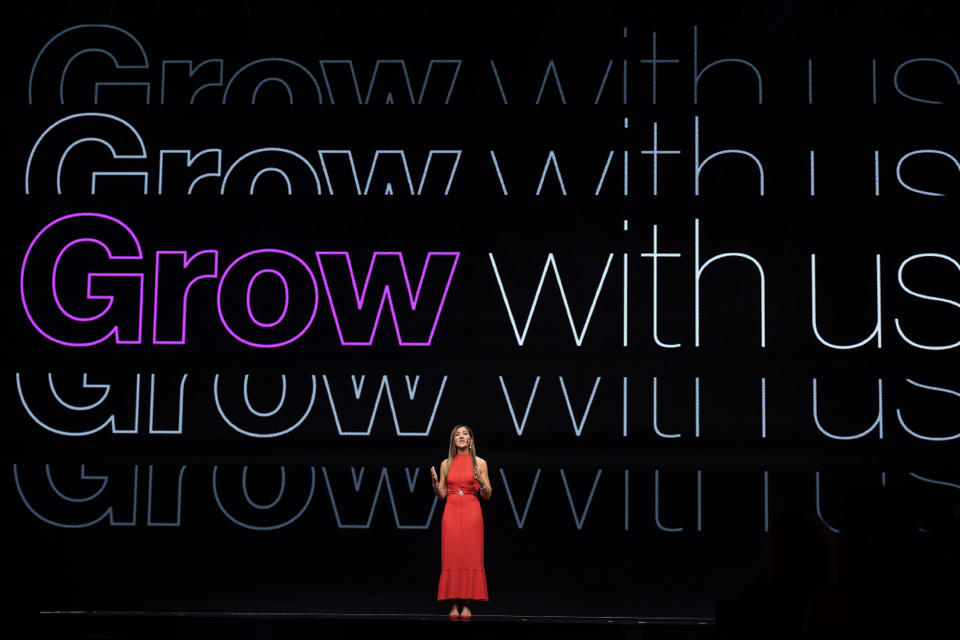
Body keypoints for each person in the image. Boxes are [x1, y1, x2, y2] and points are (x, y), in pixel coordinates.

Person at [430, 425, 491, 620]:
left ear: (471, 440)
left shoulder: (480, 463)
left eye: (465, 434)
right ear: (453, 440)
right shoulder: (445, 463)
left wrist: (481, 480)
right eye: (458, 434)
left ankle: (468, 604)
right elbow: (442, 496)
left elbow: (487, 495)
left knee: (471, 556)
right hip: (452, 511)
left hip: (473, 511)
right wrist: (435, 486)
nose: (461, 436)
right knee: (452, 556)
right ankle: (454, 603)